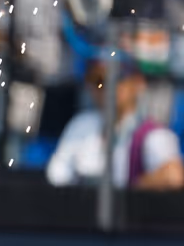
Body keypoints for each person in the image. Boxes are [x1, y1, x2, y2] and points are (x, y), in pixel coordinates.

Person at [46, 55, 184, 190]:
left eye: (117, 78)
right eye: (98, 81)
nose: (107, 88)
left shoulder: (153, 135)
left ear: (138, 83)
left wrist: (126, 196)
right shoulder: (81, 125)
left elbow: (173, 177)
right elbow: (57, 177)